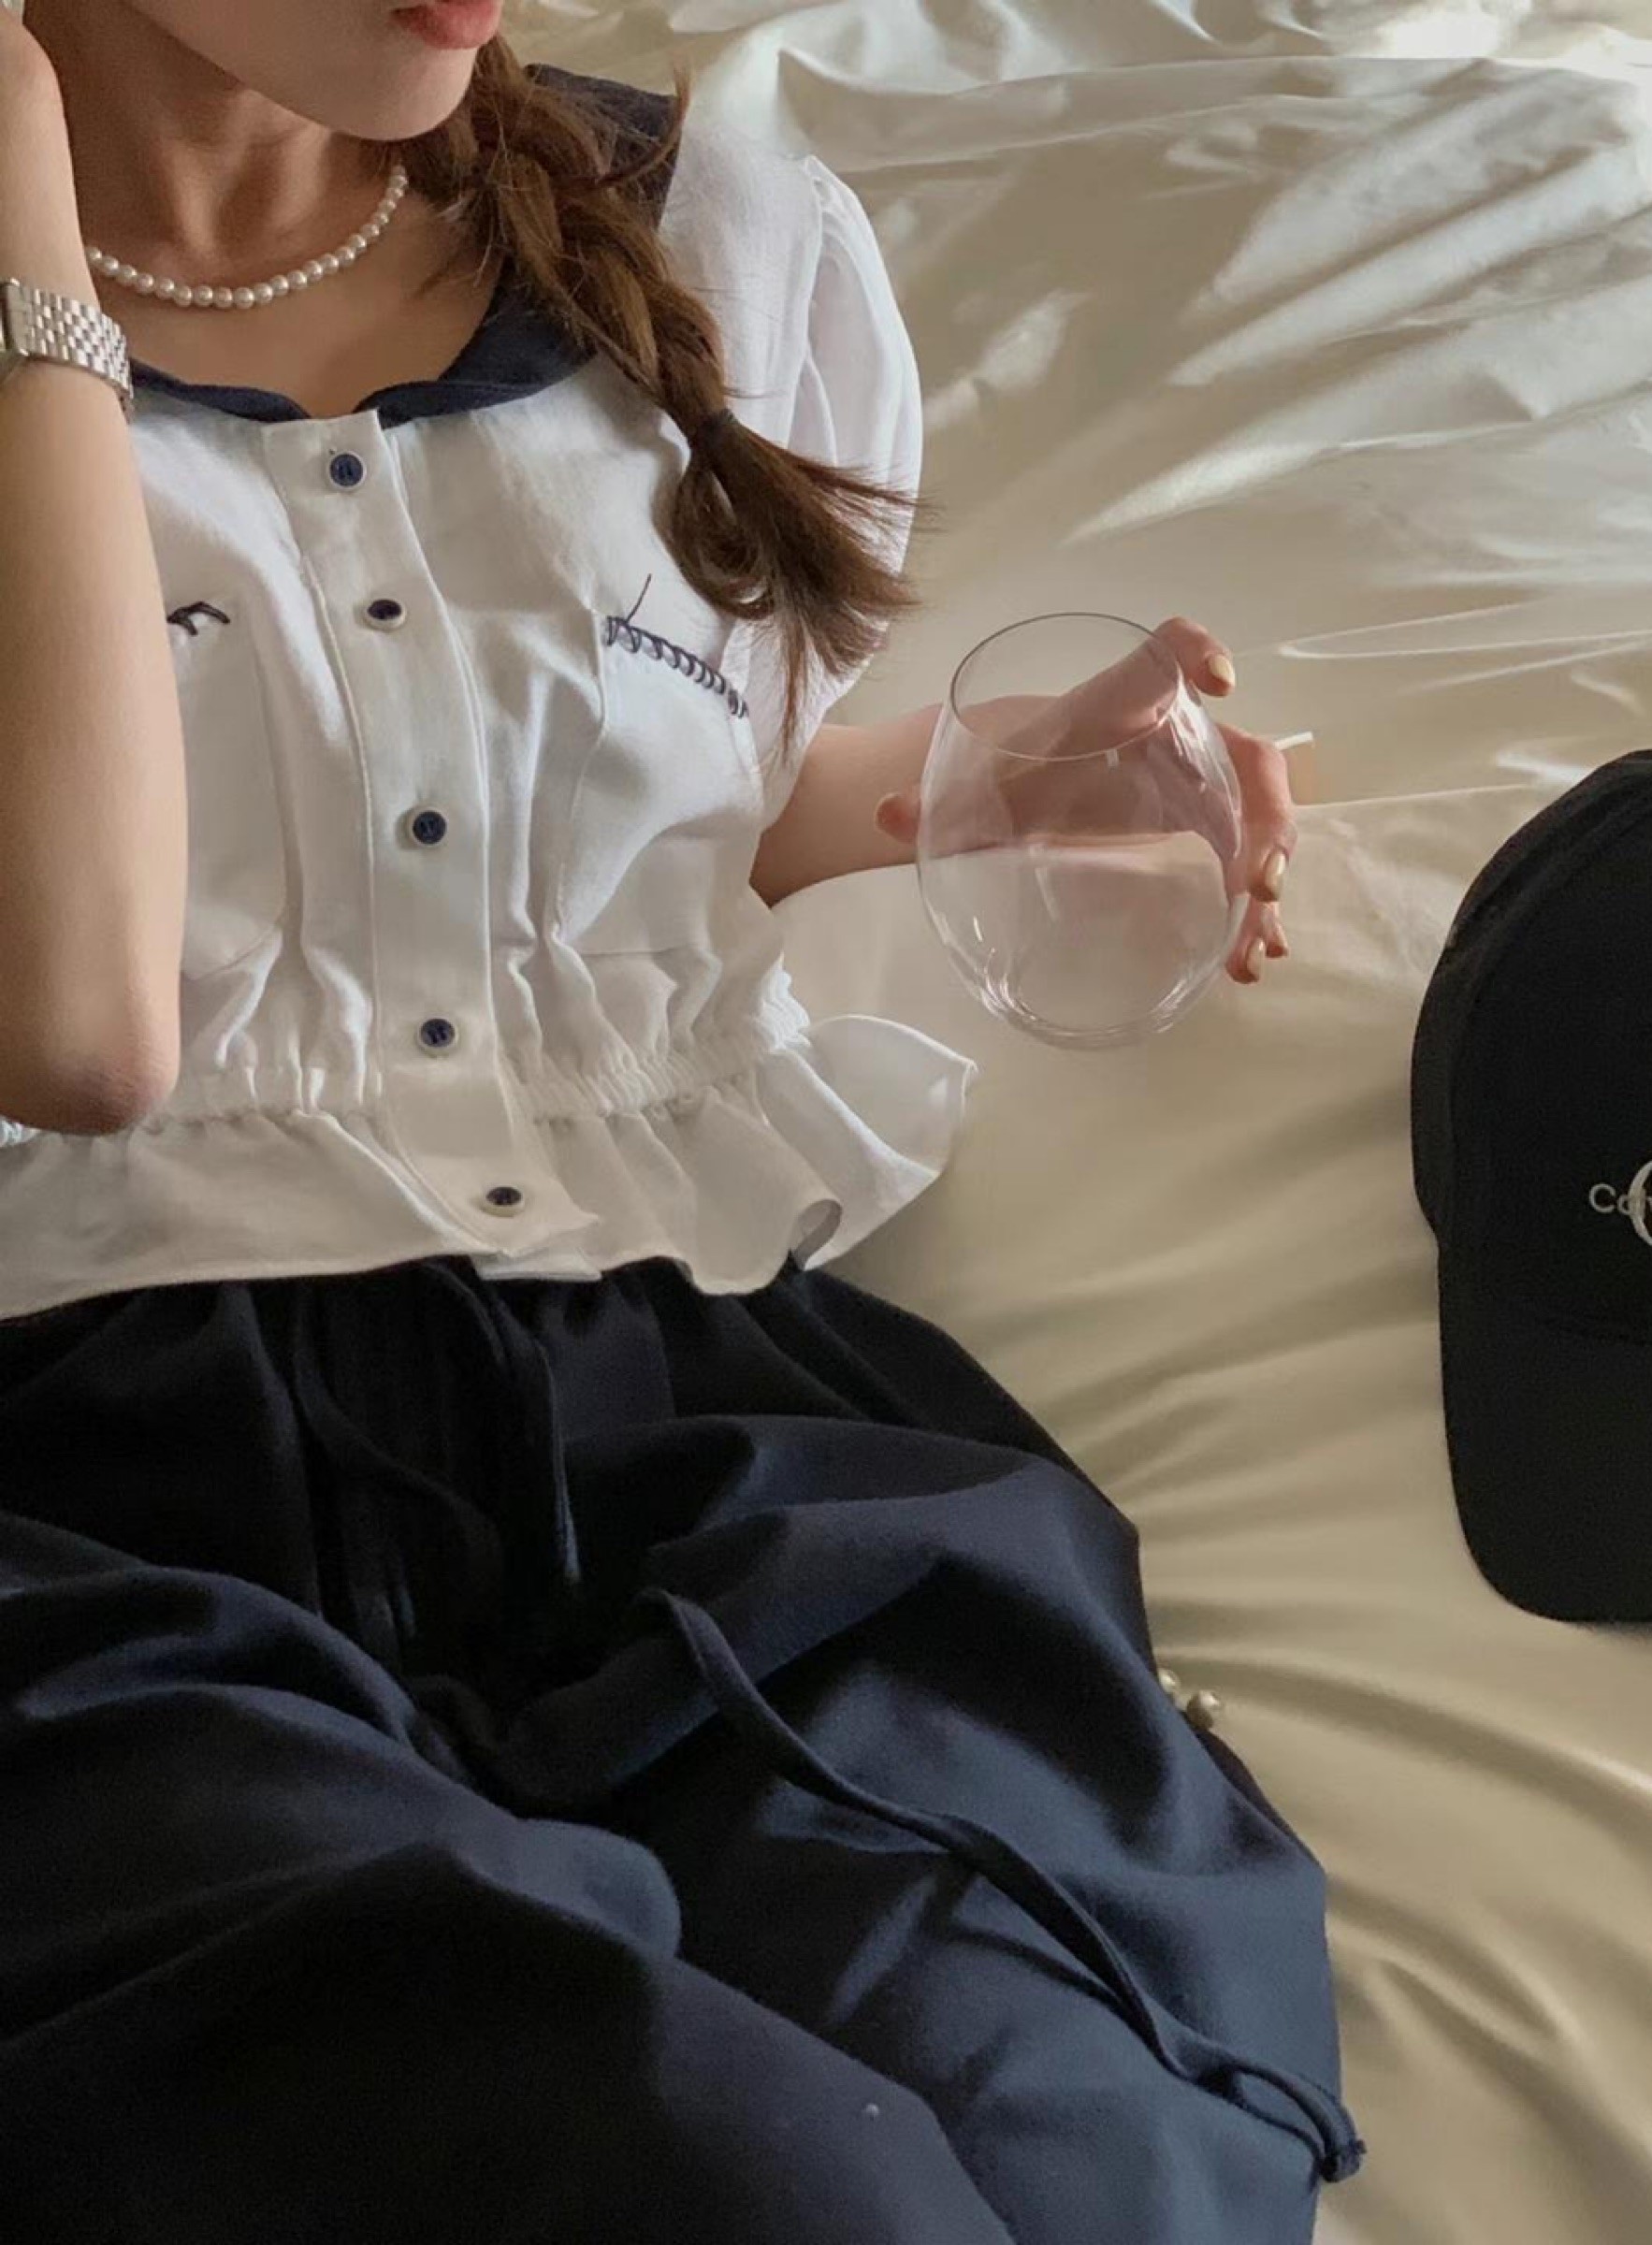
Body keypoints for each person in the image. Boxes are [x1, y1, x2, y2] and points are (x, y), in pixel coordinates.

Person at [0, 3, 1359, 2238]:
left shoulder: (715, 232)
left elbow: (640, 827)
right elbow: (77, 1021)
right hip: (102, 1499)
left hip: (702, 1429)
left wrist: (982, 788)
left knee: (1089, 2149)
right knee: (731, 2186)